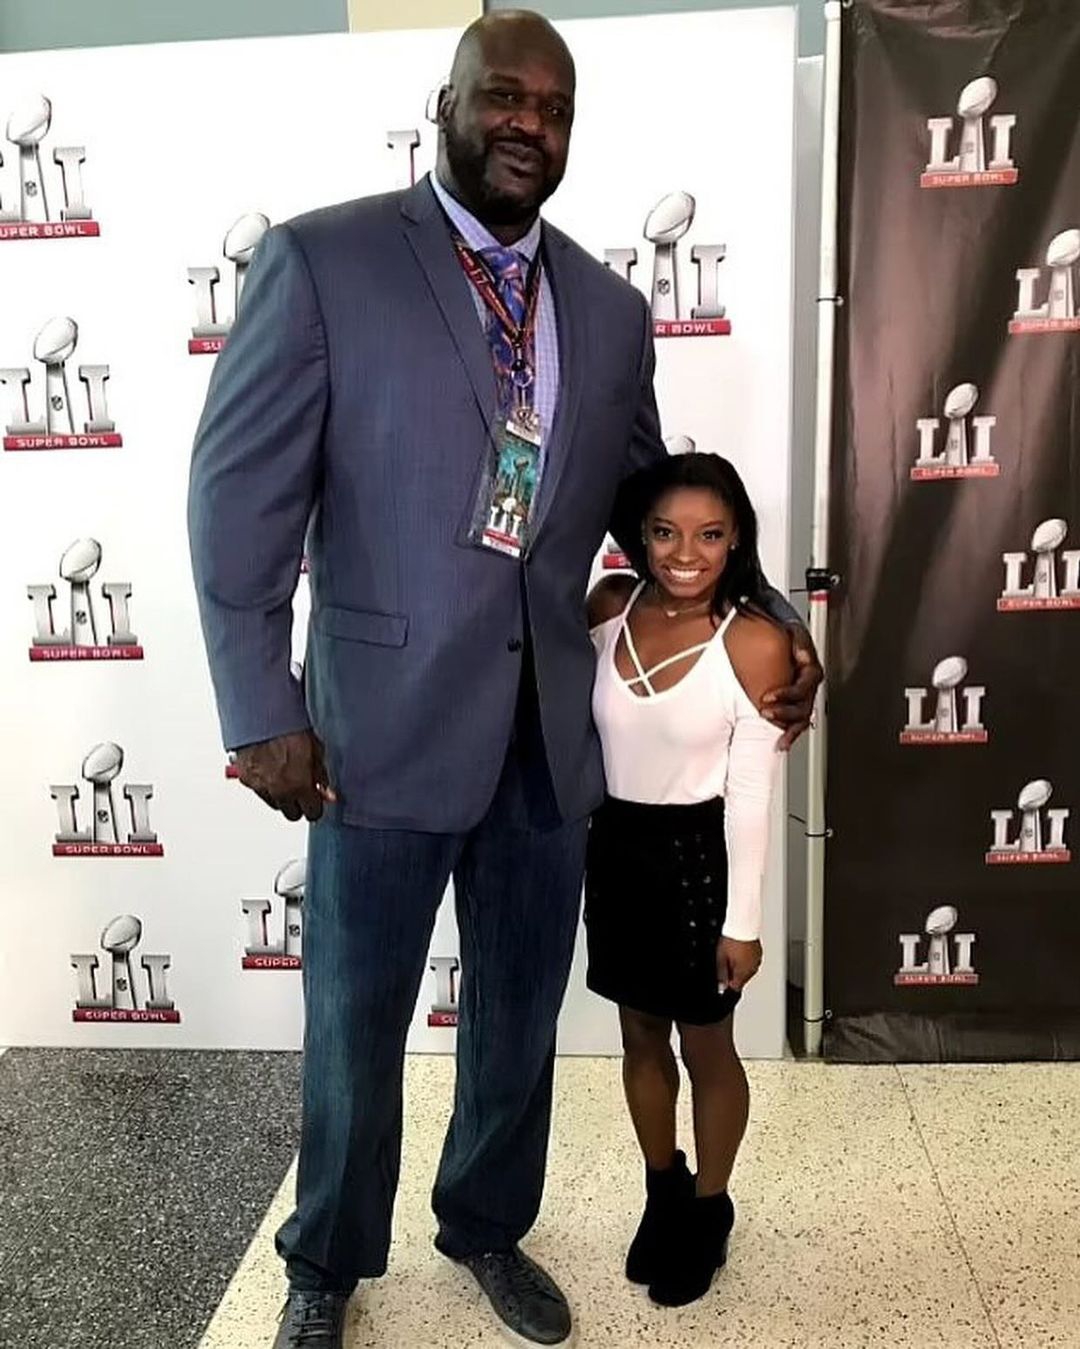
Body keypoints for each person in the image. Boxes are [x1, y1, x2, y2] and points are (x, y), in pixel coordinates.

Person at [187, 11, 821, 1349]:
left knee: (520, 1014)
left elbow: (655, 505)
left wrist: (765, 618)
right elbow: (238, 504)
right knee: (356, 1018)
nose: (529, 122)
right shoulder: (325, 263)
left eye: (556, 107)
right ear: (450, 104)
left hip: (549, 736)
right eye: (505, 96)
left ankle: (484, 1222)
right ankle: (326, 1258)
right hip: (375, 730)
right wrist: (261, 711)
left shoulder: (609, 306)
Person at [586, 452, 790, 1310]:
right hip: (617, 852)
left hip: (699, 859)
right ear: (641, 534)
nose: (685, 552)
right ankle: (662, 1190)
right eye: (667, 531)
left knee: (708, 1046)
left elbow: (752, 794)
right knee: (640, 1037)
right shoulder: (607, 608)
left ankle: (709, 1209)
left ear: (736, 537)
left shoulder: (755, 640)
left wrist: (743, 921)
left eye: (709, 534)